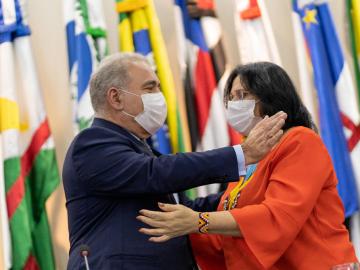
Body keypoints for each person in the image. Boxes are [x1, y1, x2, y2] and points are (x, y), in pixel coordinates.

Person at [62, 53, 286, 270]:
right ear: (116, 98)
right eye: (150, 88)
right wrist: (241, 154)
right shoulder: (91, 143)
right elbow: (155, 174)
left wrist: (252, 190)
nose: (160, 95)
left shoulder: (140, 147)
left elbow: (180, 208)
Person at [138, 62, 358, 270]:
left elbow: (276, 217)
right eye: (231, 98)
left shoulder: (301, 141)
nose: (234, 105)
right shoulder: (250, 158)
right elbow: (228, 237)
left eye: (242, 96)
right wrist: (173, 225)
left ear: (271, 98)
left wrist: (197, 221)